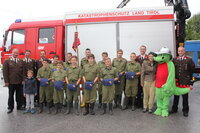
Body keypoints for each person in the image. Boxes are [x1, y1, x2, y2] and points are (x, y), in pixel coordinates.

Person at [170, 46, 195, 117]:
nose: (180, 52)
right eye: (179, 51)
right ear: (177, 52)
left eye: (181, 51)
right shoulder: (175, 59)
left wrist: (189, 78)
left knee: (185, 97)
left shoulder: (189, 60)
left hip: (185, 81)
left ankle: (185, 110)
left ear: (184, 52)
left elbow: (192, 70)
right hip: (177, 81)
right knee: (176, 96)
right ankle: (174, 109)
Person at [3, 48, 24, 113]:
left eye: (16, 53)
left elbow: (23, 72)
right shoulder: (7, 61)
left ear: (18, 54)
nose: (15, 54)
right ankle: (10, 107)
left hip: (19, 81)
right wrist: (6, 81)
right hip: (11, 82)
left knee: (19, 95)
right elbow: (5, 72)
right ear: (12, 53)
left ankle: (19, 106)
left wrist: (23, 80)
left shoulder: (21, 61)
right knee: (11, 95)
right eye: (14, 53)